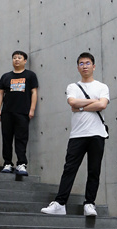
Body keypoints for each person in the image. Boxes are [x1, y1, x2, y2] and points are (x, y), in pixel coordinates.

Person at [41, 52, 109, 217]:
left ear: (94, 66)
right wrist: (94, 101)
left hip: (97, 134)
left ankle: (89, 204)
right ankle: (60, 203)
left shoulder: (102, 87)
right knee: (69, 169)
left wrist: (81, 107)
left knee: (94, 170)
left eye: (87, 63)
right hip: (77, 135)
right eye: (81, 63)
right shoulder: (73, 87)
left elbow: (102, 105)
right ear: (78, 67)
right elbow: (72, 102)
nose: (84, 66)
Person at [0, 51, 38, 176]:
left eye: (19, 58)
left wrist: (32, 109)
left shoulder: (30, 75)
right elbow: (0, 93)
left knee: (21, 138)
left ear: (25, 61)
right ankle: (7, 163)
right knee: (6, 138)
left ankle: (21, 164)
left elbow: (34, 92)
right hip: (7, 112)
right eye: (14, 58)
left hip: (23, 112)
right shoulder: (6, 76)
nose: (17, 60)